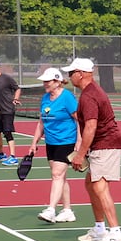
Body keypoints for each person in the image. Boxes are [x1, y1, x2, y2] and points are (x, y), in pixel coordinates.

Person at [61, 58, 121, 241]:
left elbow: (90, 126)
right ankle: (100, 228)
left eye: (71, 73)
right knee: (91, 184)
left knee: (99, 186)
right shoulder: (89, 93)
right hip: (101, 143)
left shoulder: (89, 96)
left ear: (80, 73)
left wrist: (81, 154)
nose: (69, 76)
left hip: (106, 143)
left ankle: (116, 234)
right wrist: (82, 149)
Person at [29, 68, 80, 223]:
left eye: (48, 81)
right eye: (44, 81)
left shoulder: (67, 98)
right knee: (61, 177)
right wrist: (34, 142)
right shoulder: (45, 98)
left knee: (57, 175)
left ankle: (51, 209)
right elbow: (41, 122)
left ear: (57, 82)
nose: (45, 84)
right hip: (51, 143)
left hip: (66, 142)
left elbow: (80, 120)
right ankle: (67, 211)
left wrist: (79, 142)